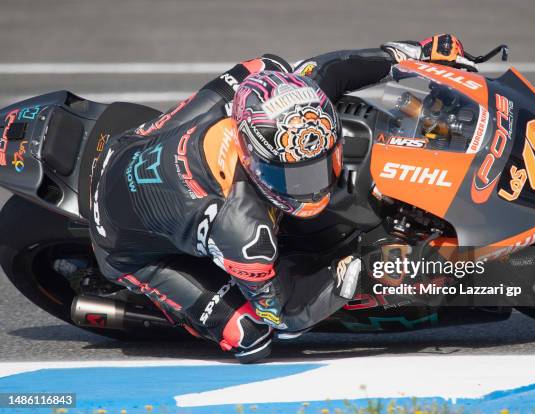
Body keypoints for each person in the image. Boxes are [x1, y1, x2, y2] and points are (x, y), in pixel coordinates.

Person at [88, 34, 471, 363]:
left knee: (264, 64)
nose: (313, 187)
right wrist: (350, 278)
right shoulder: (242, 230)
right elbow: (281, 312)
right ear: (251, 156)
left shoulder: (260, 88)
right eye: (291, 175)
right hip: (124, 244)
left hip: (132, 145)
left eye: (318, 167)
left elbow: (330, 69)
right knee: (256, 337)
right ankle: (163, 302)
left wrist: (410, 52)